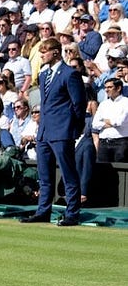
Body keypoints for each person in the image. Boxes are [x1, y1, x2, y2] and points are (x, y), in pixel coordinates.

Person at [21, 37, 87, 226]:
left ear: (56, 52)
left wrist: (74, 128)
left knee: (68, 174)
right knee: (44, 175)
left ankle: (72, 213)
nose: (41, 55)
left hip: (62, 131)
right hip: (44, 131)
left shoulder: (69, 74)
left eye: (44, 52)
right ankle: (43, 212)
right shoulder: (43, 74)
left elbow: (79, 104)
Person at [93, 76, 128, 162]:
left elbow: (119, 122)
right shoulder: (103, 104)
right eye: (105, 87)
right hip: (104, 143)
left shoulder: (126, 102)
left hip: (121, 143)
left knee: (121, 170)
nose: (106, 90)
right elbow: (95, 124)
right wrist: (111, 122)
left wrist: (104, 121)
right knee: (102, 171)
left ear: (118, 88)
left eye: (110, 87)